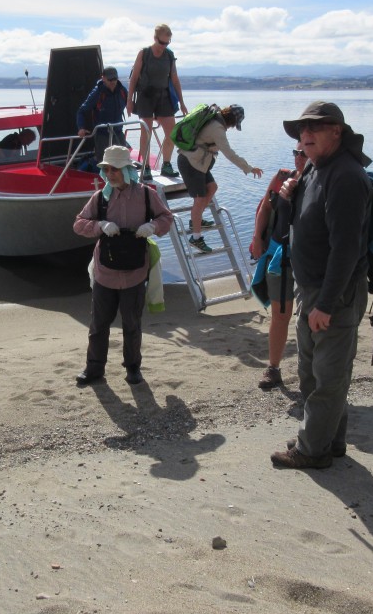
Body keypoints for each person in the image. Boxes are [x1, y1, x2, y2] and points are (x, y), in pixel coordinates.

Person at [270, 101, 372, 470]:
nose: (305, 135)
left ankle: (312, 451)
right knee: (313, 372)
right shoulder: (316, 168)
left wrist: (326, 304)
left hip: (334, 292)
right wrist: (286, 201)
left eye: (315, 128)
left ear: (337, 132)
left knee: (328, 376)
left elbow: (347, 249)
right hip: (310, 288)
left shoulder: (345, 176)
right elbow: (286, 231)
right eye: (301, 130)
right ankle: (328, 440)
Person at [73, 145, 173, 386]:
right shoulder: (100, 198)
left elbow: (166, 218)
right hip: (104, 273)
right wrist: (100, 226)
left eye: (114, 169)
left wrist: (153, 227)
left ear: (127, 169)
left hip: (135, 273)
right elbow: (78, 224)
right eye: (106, 169)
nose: (110, 174)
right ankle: (94, 370)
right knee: (98, 325)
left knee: (132, 324)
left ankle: (133, 368)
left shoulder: (148, 195)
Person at [249, 141, 308, 389]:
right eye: (296, 152)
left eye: (304, 153)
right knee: (280, 314)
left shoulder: (323, 183)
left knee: (307, 314)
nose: (298, 157)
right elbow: (266, 207)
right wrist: (257, 238)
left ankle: (311, 370)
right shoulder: (283, 176)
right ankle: (273, 368)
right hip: (278, 253)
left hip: (307, 257)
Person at [176, 104, 263, 254]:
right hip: (191, 163)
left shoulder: (215, 119)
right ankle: (196, 238)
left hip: (199, 163)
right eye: (235, 125)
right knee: (199, 199)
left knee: (212, 187)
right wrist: (248, 168)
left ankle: (195, 221)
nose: (232, 128)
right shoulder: (218, 129)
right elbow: (229, 153)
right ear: (232, 121)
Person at [126, 23, 185, 179]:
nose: (164, 46)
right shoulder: (144, 54)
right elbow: (134, 78)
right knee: (146, 132)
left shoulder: (169, 56)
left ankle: (166, 164)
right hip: (145, 96)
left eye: (167, 43)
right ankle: (145, 167)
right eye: (161, 42)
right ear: (155, 38)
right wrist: (129, 100)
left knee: (172, 132)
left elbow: (175, 79)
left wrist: (182, 102)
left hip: (163, 96)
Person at [76, 66, 128, 168]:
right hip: (102, 135)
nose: (113, 82)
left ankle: (125, 182)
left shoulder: (122, 91)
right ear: (103, 78)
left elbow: (131, 106)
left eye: (115, 79)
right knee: (105, 165)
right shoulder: (97, 93)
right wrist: (81, 128)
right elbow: (81, 111)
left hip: (118, 132)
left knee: (124, 162)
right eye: (110, 79)